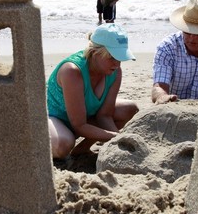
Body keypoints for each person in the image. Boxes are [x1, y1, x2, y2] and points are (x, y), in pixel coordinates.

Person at [47, 23, 139, 159]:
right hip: (54, 117)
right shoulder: (72, 71)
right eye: (112, 57)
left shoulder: (115, 72)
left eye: (120, 57)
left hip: (83, 118)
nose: (117, 64)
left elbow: (105, 115)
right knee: (63, 145)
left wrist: (119, 140)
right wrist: (116, 137)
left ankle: (81, 150)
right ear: (95, 53)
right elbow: (79, 125)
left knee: (129, 108)